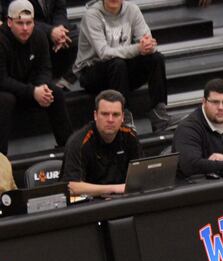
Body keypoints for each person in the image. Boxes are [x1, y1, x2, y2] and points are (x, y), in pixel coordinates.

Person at [73, 0, 176, 133]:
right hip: (91, 71)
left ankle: (159, 115)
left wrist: (148, 46)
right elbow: (104, 53)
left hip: (119, 70)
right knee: (117, 63)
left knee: (156, 58)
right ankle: (123, 117)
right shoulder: (92, 15)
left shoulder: (132, 10)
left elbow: (146, 41)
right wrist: (138, 48)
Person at [0, 0, 72, 156]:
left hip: (29, 87)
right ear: (9, 22)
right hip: (6, 90)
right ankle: (1, 159)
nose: (25, 28)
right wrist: (33, 91)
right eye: (20, 23)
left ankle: (68, 150)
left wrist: (41, 88)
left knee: (55, 93)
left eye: (29, 23)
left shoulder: (38, 35)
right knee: (5, 100)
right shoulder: (1, 40)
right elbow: (2, 80)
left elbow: (45, 69)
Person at [61, 89, 141, 195]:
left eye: (116, 114)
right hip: (88, 204)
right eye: (105, 114)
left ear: (122, 117)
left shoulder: (130, 136)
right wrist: (114, 188)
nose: (110, 119)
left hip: (122, 201)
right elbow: (72, 187)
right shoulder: (78, 142)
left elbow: (141, 175)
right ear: (95, 115)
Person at [173, 78, 223, 177]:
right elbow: (191, 165)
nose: (221, 107)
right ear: (204, 102)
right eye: (215, 102)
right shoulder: (188, 128)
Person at [1, 0, 78, 88]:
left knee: (78, 37)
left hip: (54, 27)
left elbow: (59, 10)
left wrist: (60, 29)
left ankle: (65, 82)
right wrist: (50, 31)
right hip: (30, 29)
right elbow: (20, 18)